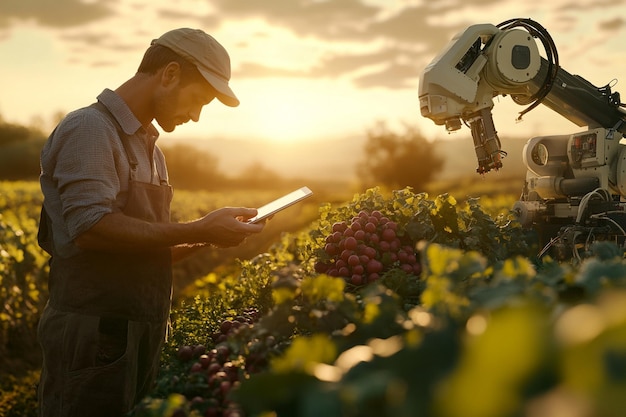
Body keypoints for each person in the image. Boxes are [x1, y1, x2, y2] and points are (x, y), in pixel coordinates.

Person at [36, 28, 265, 417]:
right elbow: (90, 227)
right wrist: (199, 228)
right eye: (199, 101)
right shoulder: (91, 129)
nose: (195, 115)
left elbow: (148, 248)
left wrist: (212, 236)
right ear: (170, 74)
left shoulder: (151, 150)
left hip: (138, 332)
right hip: (97, 335)